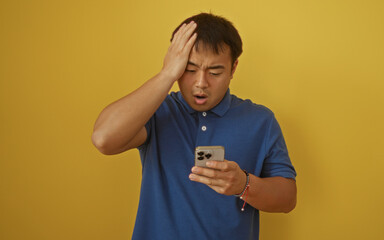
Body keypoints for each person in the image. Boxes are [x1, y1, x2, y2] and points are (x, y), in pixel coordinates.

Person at [92, 12, 297, 240]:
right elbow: (103, 139)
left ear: (233, 68)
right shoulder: (156, 111)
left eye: (215, 72)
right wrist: (167, 74)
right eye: (189, 70)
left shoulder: (261, 121)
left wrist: (243, 184)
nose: (201, 83)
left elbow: (288, 200)